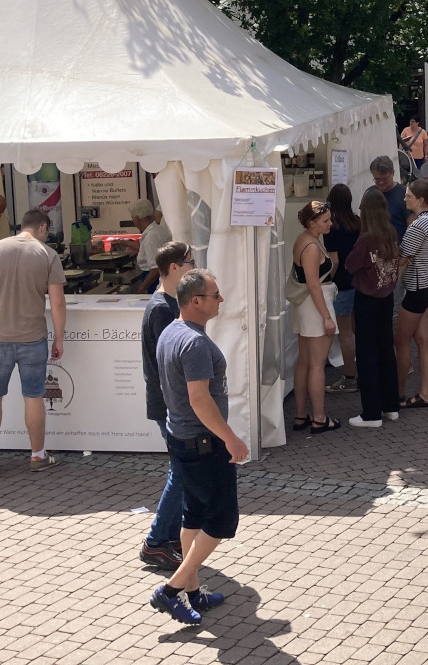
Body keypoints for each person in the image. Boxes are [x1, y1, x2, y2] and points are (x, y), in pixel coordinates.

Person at [149, 268, 249, 626]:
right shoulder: (194, 343)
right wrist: (230, 438)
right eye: (215, 295)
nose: (221, 300)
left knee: (192, 516)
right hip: (203, 443)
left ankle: (192, 594)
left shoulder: (171, 333)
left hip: (181, 439)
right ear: (196, 301)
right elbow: (199, 399)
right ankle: (171, 591)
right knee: (222, 519)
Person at [0, 208, 66, 477]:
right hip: (32, 337)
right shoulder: (48, 255)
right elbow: (57, 301)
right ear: (43, 227)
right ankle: (37, 455)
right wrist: (59, 336)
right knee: (33, 396)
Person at [139, 240, 198, 570]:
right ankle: (157, 540)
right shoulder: (161, 309)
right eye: (190, 262)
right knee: (182, 470)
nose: (194, 267)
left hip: (171, 402)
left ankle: (168, 535)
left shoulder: (168, 303)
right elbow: (170, 362)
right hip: (170, 404)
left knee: (183, 470)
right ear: (174, 267)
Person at [345, 189, 404, 428]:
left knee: (367, 354)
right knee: (386, 350)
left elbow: (350, 264)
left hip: (368, 298)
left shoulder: (366, 237)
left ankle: (371, 413)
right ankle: (390, 406)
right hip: (386, 296)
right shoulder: (391, 232)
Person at [289, 200, 339, 435]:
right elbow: (313, 285)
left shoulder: (304, 239)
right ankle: (319, 417)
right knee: (317, 365)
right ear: (312, 223)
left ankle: (301, 415)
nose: (330, 223)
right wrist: (327, 317)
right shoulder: (310, 246)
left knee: (305, 362)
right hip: (315, 306)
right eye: (326, 220)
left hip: (308, 306)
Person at [396, 179, 428, 410]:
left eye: (408, 196)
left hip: (416, 288)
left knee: (401, 341)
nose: (405, 199)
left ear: (421, 200)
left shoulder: (417, 226)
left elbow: (403, 255)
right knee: (422, 339)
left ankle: (398, 393)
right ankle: (426, 393)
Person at [322, 184, 360, 395]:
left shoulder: (332, 227)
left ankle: (349, 377)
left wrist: (328, 280)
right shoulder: (356, 220)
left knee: (345, 334)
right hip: (359, 283)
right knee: (358, 330)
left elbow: (334, 260)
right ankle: (362, 371)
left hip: (343, 285)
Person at [364, 155, 409, 239]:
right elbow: (364, 224)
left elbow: (412, 228)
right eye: (377, 179)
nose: (381, 183)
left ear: (393, 173)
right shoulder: (369, 194)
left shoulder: (405, 194)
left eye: (385, 179)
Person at [129, 198, 170, 289]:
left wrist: (141, 289)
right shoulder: (158, 229)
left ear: (137, 219)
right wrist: (125, 243)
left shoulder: (150, 237)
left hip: (153, 280)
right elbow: (147, 250)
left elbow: (155, 269)